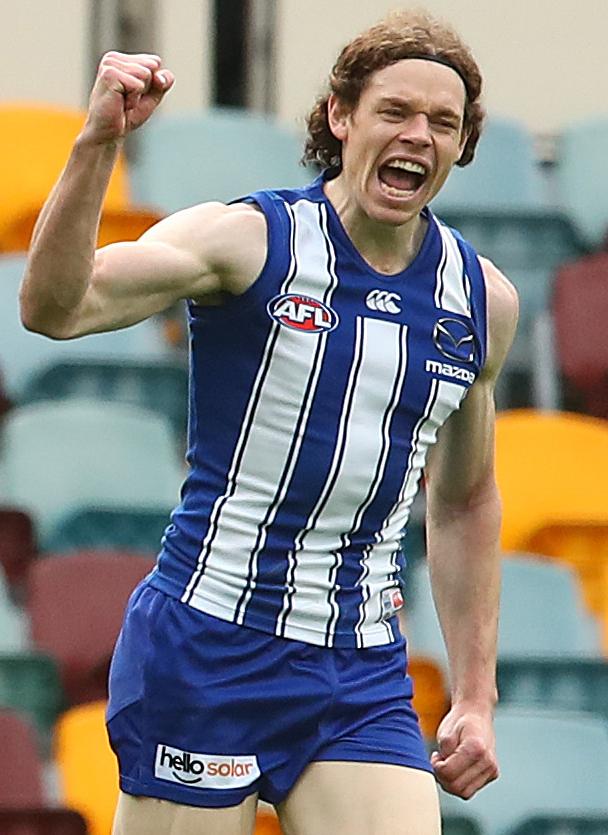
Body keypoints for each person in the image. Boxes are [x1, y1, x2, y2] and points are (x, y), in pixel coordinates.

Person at [20, 9, 518, 835]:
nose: (418, 135)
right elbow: (54, 308)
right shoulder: (252, 240)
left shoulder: (480, 300)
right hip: (209, 648)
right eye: (394, 111)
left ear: (463, 145)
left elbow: (464, 500)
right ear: (340, 116)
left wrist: (475, 693)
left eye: (444, 121)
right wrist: (96, 144)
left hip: (358, 669)